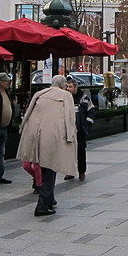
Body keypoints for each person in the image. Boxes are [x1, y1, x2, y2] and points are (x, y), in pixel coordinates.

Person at [17, 75, 77, 216]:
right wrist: (71, 136)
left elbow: (28, 113)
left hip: (35, 134)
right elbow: (70, 117)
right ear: (63, 86)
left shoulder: (40, 93)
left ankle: (49, 199)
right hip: (54, 135)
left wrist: (22, 129)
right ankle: (42, 204)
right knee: (50, 167)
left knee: (45, 167)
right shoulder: (65, 95)